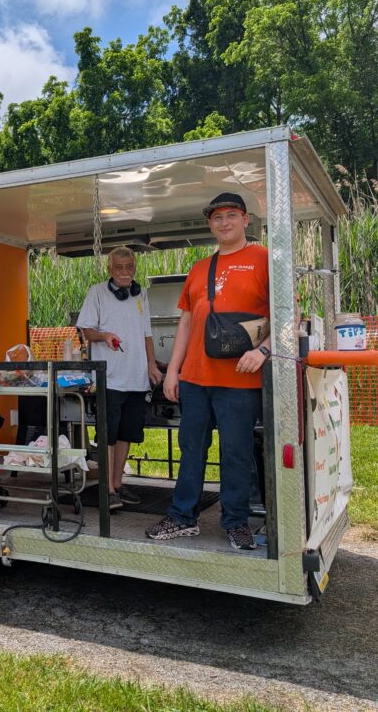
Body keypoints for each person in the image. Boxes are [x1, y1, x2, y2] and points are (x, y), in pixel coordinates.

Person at [146, 192, 271, 551]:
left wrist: (263, 351)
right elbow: (186, 322)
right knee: (191, 448)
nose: (224, 222)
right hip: (195, 379)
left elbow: (287, 316)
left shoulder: (263, 259)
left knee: (236, 452)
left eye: (231, 215)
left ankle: (236, 522)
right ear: (210, 225)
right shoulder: (200, 268)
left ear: (245, 219)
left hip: (240, 379)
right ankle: (182, 517)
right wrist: (173, 372)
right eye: (217, 218)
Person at [77, 246, 163, 511]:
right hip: (110, 377)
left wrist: (151, 365)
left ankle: (118, 483)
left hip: (136, 377)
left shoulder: (141, 294)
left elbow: (147, 334)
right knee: (109, 436)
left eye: (129, 267)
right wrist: (105, 336)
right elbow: (86, 331)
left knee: (126, 433)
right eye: (119, 267)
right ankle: (107, 489)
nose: (125, 272)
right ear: (110, 269)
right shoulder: (97, 292)